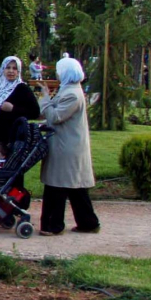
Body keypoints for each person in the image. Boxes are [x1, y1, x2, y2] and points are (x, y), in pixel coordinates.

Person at [35, 57, 100, 235]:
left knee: (56, 186)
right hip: (69, 145)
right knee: (75, 187)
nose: (56, 73)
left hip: (65, 147)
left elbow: (55, 116)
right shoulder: (70, 90)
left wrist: (45, 97)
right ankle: (88, 223)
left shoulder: (71, 94)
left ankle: (53, 225)